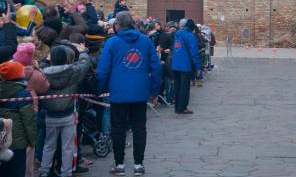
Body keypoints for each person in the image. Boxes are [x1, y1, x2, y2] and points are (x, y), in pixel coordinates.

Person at [96, 11, 161, 176]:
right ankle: (138, 164)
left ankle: (119, 164)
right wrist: (154, 91)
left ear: (118, 25)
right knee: (139, 128)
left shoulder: (112, 43)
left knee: (118, 129)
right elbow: (155, 68)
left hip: (118, 93)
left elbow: (103, 70)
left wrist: (101, 89)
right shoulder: (146, 41)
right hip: (140, 92)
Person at [39, 45, 91, 177]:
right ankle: (66, 173)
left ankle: (44, 171)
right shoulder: (73, 71)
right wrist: (83, 52)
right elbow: (85, 65)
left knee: (49, 145)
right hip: (68, 115)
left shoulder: (43, 73)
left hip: (50, 116)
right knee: (67, 147)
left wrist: (46, 60)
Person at [0, 61, 36, 177]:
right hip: (18, 141)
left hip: (1, 139)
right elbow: (28, 121)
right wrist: (32, 140)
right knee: (17, 171)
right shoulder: (23, 93)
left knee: (3, 171)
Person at [171, 18, 201, 115]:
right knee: (185, 88)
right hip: (185, 65)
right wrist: (198, 67)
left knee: (177, 87)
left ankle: (177, 107)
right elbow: (194, 53)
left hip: (175, 64)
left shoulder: (177, 33)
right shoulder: (190, 36)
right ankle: (182, 107)